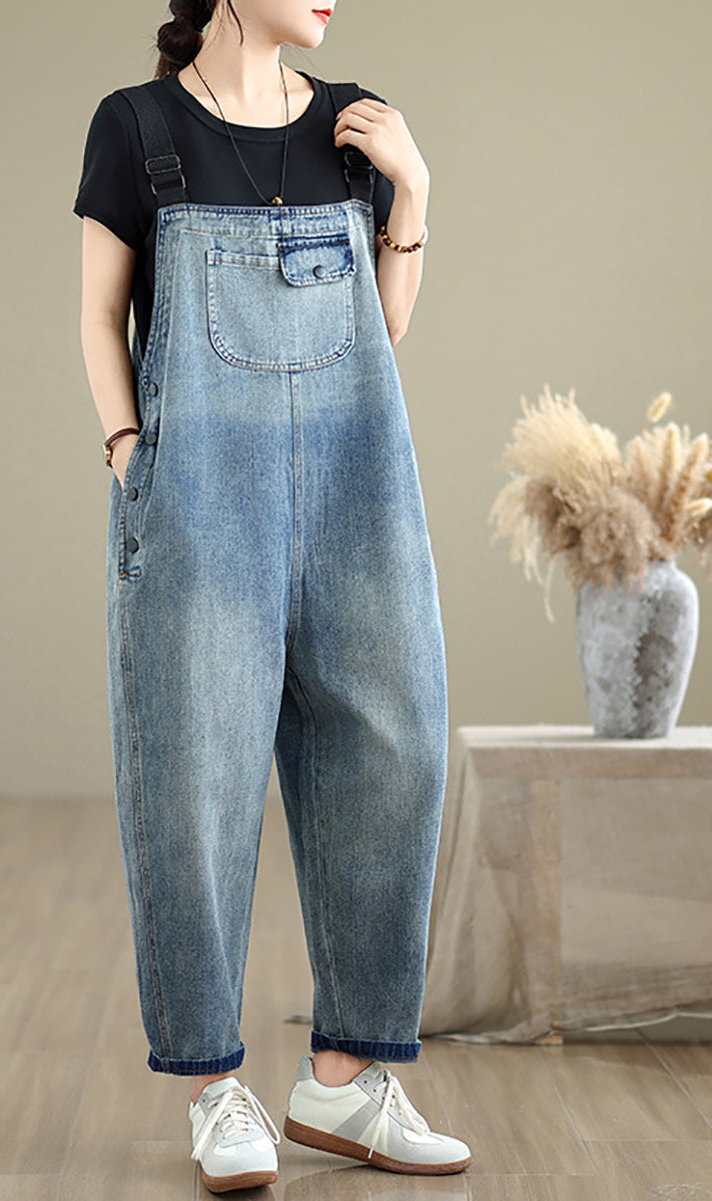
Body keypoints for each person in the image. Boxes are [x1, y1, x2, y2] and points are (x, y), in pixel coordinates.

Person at [73, 0, 472, 1192]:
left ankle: (343, 1081)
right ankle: (213, 1088)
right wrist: (129, 451)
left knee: (395, 747)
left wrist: (413, 194)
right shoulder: (137, 127)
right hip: (200, 492)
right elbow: (98, 312)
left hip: (359, 484)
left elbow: (378, 334)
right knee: (194, 776)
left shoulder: (354, 127)